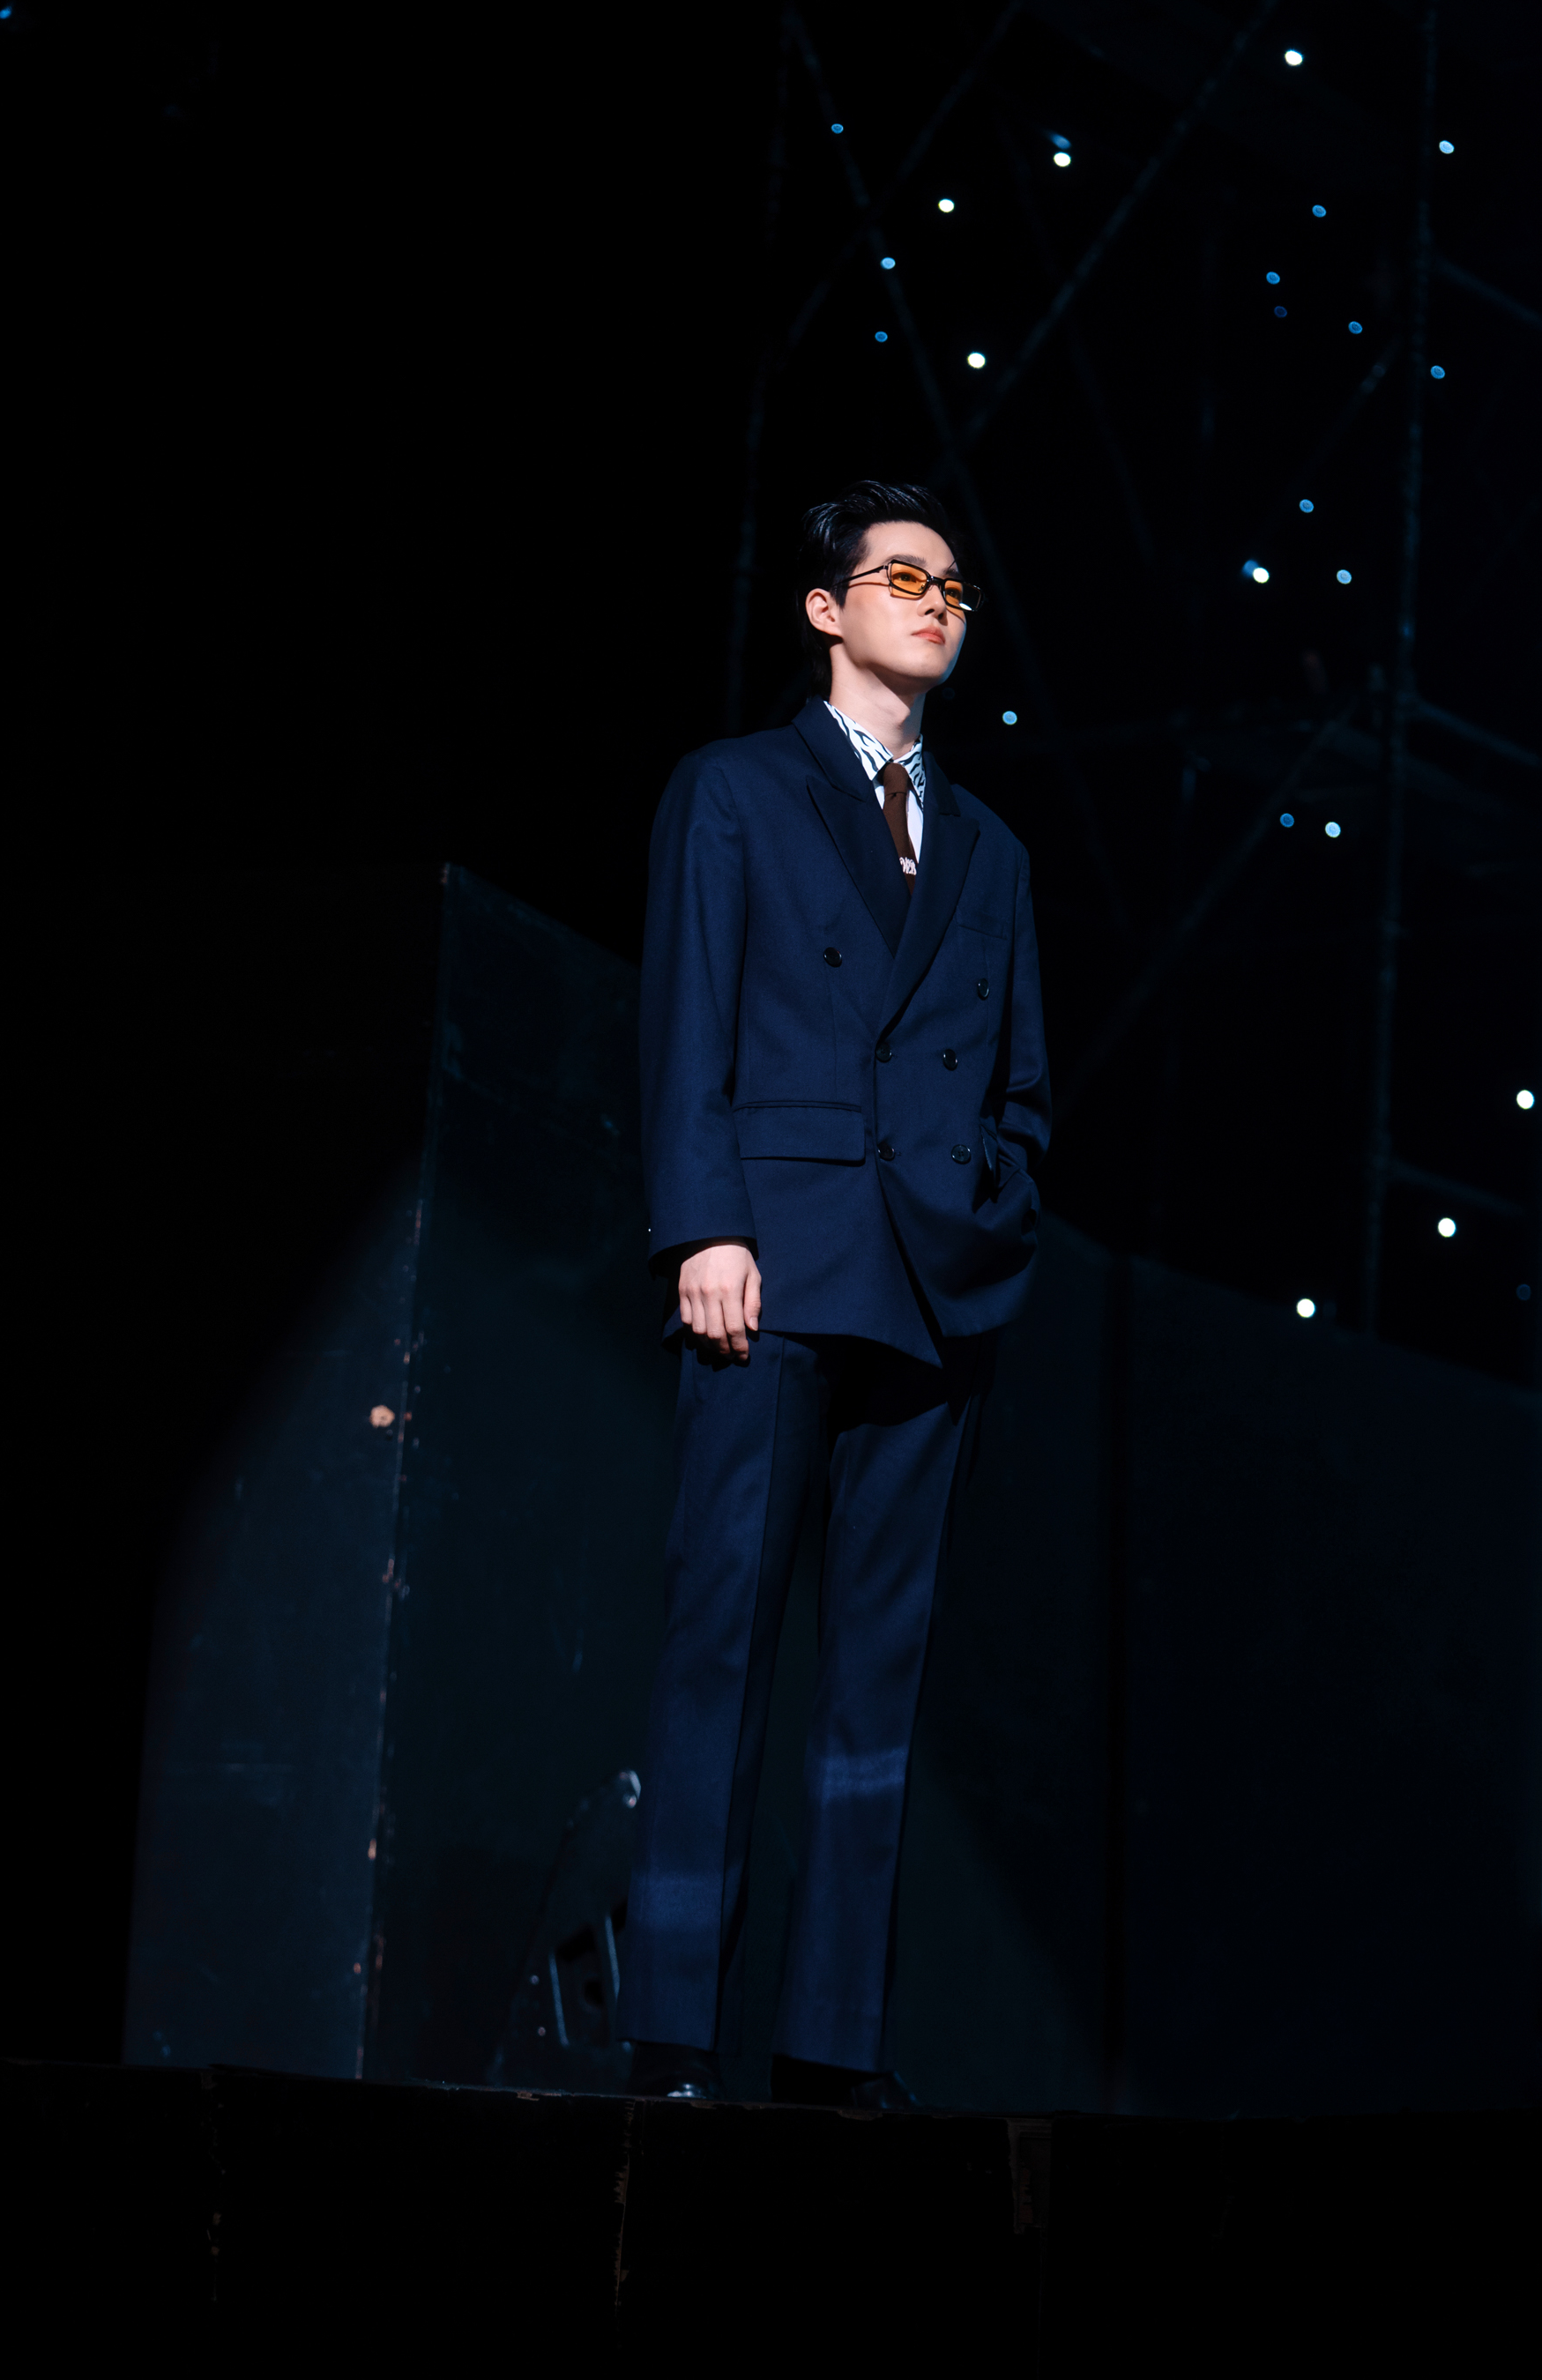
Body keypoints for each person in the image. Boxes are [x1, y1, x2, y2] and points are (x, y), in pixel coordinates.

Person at [621, 480, 1049, 2106]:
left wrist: (996, 1213)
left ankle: (830, 2051)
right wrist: (701, 1229)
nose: (938, 604)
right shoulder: (734, 790)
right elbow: (687, 1020)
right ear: (827, 609)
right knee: (719, 1653)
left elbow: (1021, 1082)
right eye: (905, 580)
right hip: (774, 1262)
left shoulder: (993, 850)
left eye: (955, 589)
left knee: (880, 1687)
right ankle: (674, 2035)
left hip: (936, 1291)